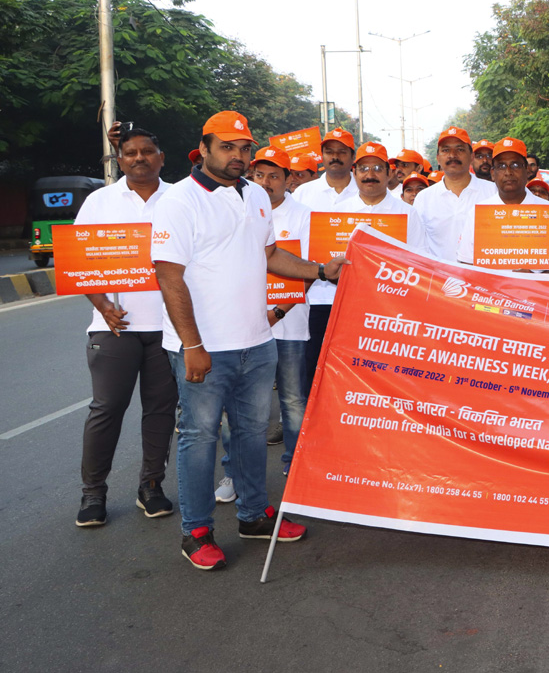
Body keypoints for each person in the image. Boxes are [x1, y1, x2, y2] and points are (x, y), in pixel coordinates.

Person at [152, 111, 346, 571]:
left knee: (253, 434)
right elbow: (168, 276)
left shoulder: (256, 194)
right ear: (204, 148)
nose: (237, 156)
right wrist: (192, 345)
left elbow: (271, 255)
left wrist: (321, 271)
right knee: (198, 439)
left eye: (244, 148)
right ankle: (196, 531)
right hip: (204, 347)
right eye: (227, 147)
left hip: (258, 341)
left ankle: (253, 514)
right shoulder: (179, 201)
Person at [72, 126, 179, 528]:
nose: (139, 158)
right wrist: (102, 304)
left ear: (161, 157)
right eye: (130, 152)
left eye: (147, 151)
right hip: (113, 328)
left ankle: (150, 486)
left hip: (169, 328)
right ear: (120, 160)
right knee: (106, 410)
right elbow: (79, 261)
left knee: (160, 411)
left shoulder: (180, 199)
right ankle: (92, 494)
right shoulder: (100, 202)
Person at [253, 151, 311, 476]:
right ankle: (237, 473)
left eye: (274, 176)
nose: (266, 182)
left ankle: (296, 469)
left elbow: (308, 269)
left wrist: (278, 311)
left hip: (288, 326)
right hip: (245, 327)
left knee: (292, 402)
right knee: (245, 407)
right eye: (260, 174)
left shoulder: (305, 215)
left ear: (289, 179)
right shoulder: (239, 211)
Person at [292, 128, 359, 388]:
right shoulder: (304, 194)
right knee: (312, 368)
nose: (335, 157)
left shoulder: (368, 192)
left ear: (352, 157)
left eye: (342, 152)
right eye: (330, 152)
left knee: (350, 370)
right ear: (321, 156)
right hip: (314, 296)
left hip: (355, 298)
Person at [413, 127, 498, 262]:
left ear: (471, 156)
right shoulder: (424, 198)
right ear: (438, 158)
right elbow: (417, 247)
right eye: (446, 150)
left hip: (482, 279)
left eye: (459, 149)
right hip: (438, 280)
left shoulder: (493, 192)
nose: (452, 155)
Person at [458, 137, 547, 264]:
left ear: (527, 170)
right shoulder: (478, 214)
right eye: (501, 166)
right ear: (493, 173)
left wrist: (533, 278)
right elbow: (466, 263)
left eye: (515, 165)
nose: (508, 172)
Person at [337, 142, 426, 248]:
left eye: (377, 168)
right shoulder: (337, 213)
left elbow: (419, 257)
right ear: (355, 173)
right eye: (363, 169)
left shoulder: (408, 214)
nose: (370, 175)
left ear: (389, 173)